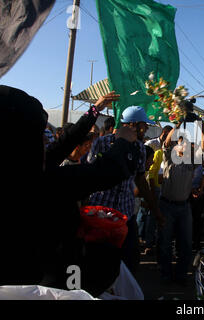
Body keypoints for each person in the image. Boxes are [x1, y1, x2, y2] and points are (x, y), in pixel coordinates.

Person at [0, 85, 142, 296]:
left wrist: (95, 110)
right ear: (21, 138)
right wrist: (123, 141)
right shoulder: (41, 184)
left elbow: (62, 145)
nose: (46, 140)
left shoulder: (22, 169)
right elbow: (105, 173)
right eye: (39, 134)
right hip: (54, 283)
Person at [87, 105, 164, 276]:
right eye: (144, 125)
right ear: (134, 124)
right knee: (99, 263)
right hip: (101, 215)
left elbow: (140, 181)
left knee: (129, 262)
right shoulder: (101, 143)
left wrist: (155, 210)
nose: (146, 129)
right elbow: (89, 174)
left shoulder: (140, 149)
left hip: (125, 215)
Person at [157, 120, 204, 285]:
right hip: (167, 205)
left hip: (184, 207)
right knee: (165, 242)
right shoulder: (169, 159)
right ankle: (165, 273)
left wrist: (202, 130)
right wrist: (177, 125)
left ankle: (181, 274)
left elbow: (203, 149)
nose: (183, 147)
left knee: (185, 243)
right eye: (180, 144)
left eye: (186, 144)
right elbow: (166, 142)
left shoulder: (191, 162)